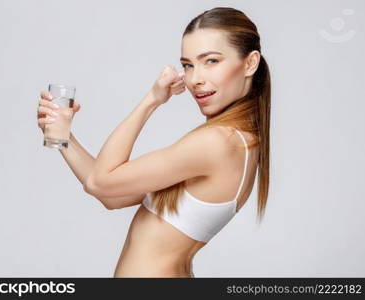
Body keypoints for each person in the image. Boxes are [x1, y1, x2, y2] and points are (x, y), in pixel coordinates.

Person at [36, 7, 270, 278]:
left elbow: (100, 181)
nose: (196, 79)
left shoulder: (218, 142)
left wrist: (152, 100)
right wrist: (65, 138)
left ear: (250, 63)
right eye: (188, 65)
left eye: (212, 61)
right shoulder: (237, 140)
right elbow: (111, 195)